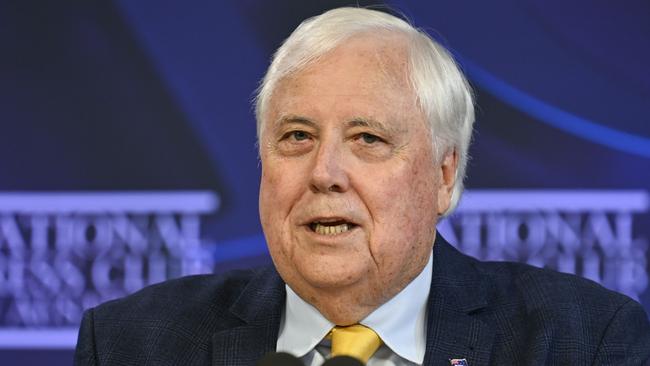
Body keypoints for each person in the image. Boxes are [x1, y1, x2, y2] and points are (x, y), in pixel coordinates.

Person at [74, 7, 650, 366]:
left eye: (368, 139)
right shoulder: (132, 345)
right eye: (297, 136)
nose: (324, 172)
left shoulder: (583, 340)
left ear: (444, 176)